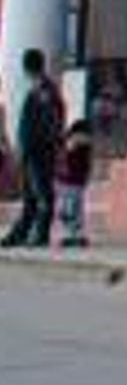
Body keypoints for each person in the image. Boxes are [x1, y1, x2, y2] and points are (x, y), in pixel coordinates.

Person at [4, 48, 59, 249]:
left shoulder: (45, 91)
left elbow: (46, 123)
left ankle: (40, 234)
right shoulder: (40, 89)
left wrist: (32, 147)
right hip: (32, 151)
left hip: (39, 151)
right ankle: (21, 232)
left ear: (27, 69)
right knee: (30, 195)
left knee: (42, 194)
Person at [53, 119, 94, 249]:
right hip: (67, 182)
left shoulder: (83, 146)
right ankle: (72, 234)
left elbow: (85, 165)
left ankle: (74, 234)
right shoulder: (70, 144)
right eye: (81, 136)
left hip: (75, 182)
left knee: (72, 209)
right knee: (68, 210)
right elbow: (63, 162)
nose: (83, 138)